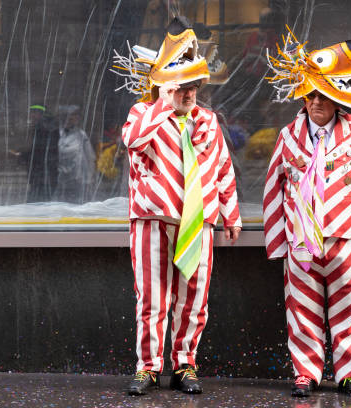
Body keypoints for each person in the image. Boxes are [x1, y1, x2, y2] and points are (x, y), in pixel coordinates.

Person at [115, 19, 242, 396]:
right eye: (181, 87)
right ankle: (148, 367)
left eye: (193, 87)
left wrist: (230, 213)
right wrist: (162, 102)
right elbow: (133, 141)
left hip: (198, 221)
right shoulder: (143, 114)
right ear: (163, 85)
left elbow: (221, 167)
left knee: (193, 299)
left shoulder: (207, 120)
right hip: (153, 219)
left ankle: (185, 364)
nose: (189, 94)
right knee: (152, 299)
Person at [263, 31, 351, 399]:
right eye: (310, 94)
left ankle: (350, 373)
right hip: (301, 240)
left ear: (336, 98)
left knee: (350, 306)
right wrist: (277, 243)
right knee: (301, 309)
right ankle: (306, 372)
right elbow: (272, 189)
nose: (315, 102)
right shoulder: (288, 136)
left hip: (345, 238)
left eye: (323, 95)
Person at [54, 105, 95, 203]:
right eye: (68, 116)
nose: (71, 119)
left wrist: (89, 179)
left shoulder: (81, 135)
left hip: (78, 179)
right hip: (60, 179)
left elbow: (90, 157)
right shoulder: (56, 134)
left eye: (74, 116)